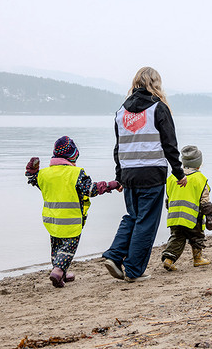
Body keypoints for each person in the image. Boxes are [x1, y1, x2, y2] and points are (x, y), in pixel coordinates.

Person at [102, 67, 187, 282]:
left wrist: (119, 175)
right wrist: (179, 173)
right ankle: (133, 270)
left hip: (129, 174)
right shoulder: (158, 107)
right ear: (155, 84)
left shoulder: (121, 111)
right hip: (152, 173)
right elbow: (170, 144)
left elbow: (118, 147)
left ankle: (114, 255)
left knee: (133, 216)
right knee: (146, 221)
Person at [25, 136, 121, 288]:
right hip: (71, 220)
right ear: (73, 155)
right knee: (68, 248)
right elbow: (91, 190)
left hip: (51, 220)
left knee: (57, 246)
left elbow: (33, 179)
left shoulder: (44, 174)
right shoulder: (76, 173)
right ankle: (58, 271)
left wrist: (32, 170)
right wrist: (111, 185)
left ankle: (61, 272)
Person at [161, 145, 212, 271]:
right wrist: (209, 216)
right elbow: (204, 200)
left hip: (175, 216)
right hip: (192, 217)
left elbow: (168, 197)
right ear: (199, 165)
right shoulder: (200, 179)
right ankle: (198, 259)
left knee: (177, 237)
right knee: (197, 237)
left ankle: (169, 259)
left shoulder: (172, 178)